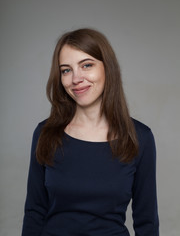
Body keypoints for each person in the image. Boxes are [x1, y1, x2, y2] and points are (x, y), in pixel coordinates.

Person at [22, 28, 159, 236]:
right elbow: (34, 211)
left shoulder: (139, 137)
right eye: (66, 70)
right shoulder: (45, 133)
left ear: (108, 69)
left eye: (86, 65)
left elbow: (147, 222)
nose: (76, 78)